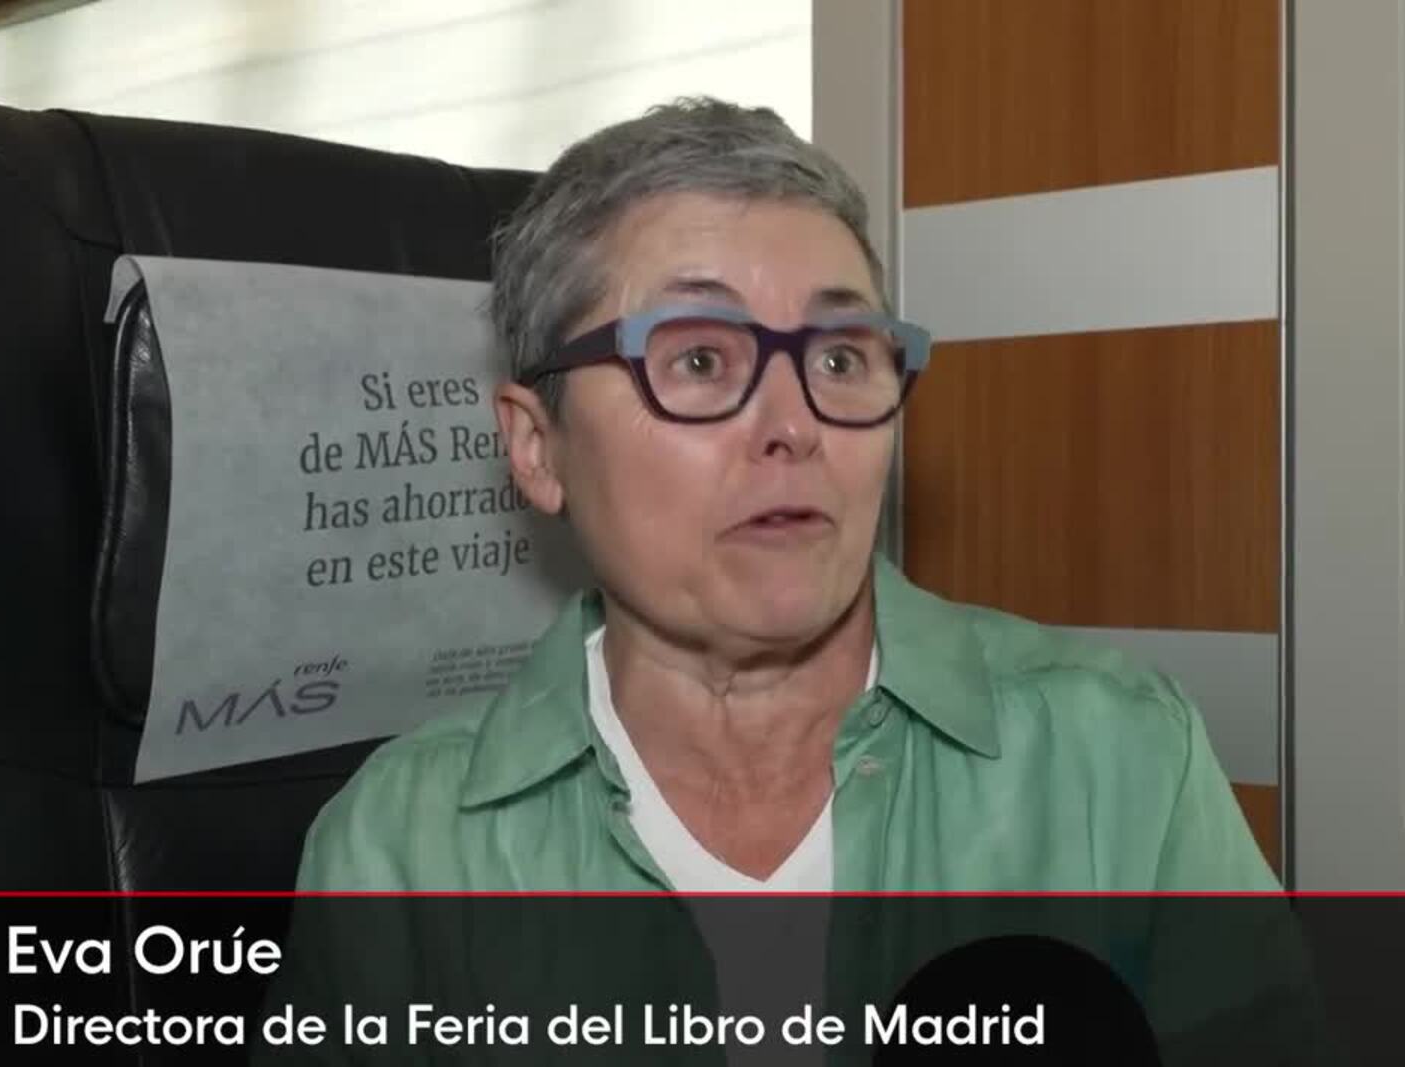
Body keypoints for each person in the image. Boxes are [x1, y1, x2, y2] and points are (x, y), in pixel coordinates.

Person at [290, 96, 1279, 896]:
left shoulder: (1120, 756)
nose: (794, 424)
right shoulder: (401, 851)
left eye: (840, 357)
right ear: (538, 447)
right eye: (700, 359)